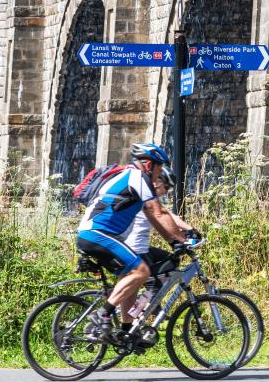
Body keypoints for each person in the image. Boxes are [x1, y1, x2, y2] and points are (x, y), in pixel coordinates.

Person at [76, 143, 187, 342]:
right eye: (159, 168)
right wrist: (180, 240)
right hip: (98, 234)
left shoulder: (130, 176)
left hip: (94, 234)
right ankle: (104, 313)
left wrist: (173, 241)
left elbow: (153, 216)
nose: (159, 174)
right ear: (148, 164)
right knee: (141, 271)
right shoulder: (137, 178)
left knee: (132, 278)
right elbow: (158, 212)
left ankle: (126, 330)